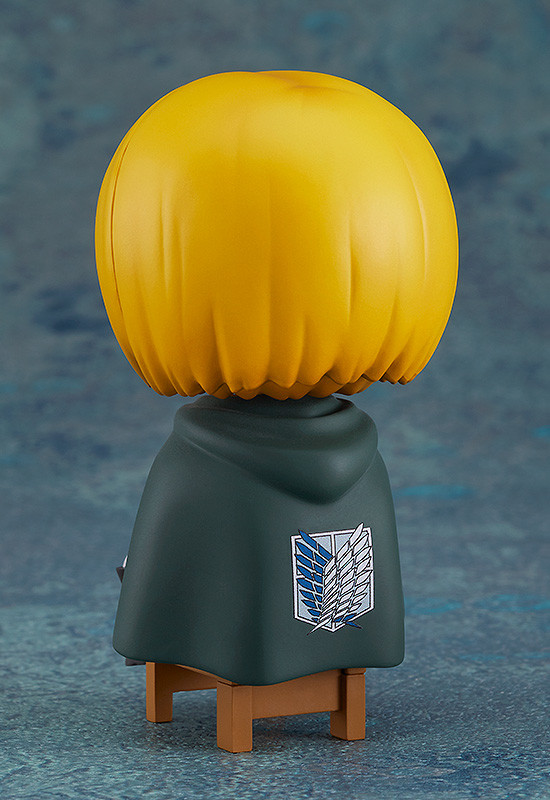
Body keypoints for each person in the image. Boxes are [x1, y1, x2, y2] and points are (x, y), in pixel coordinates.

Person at [96, 69, 457, 698]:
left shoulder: (195, 465)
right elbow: (350, 601)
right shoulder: (362, 470)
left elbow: (163, 574)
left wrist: (145, 602)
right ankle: (343, 695)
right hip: (336, 627)